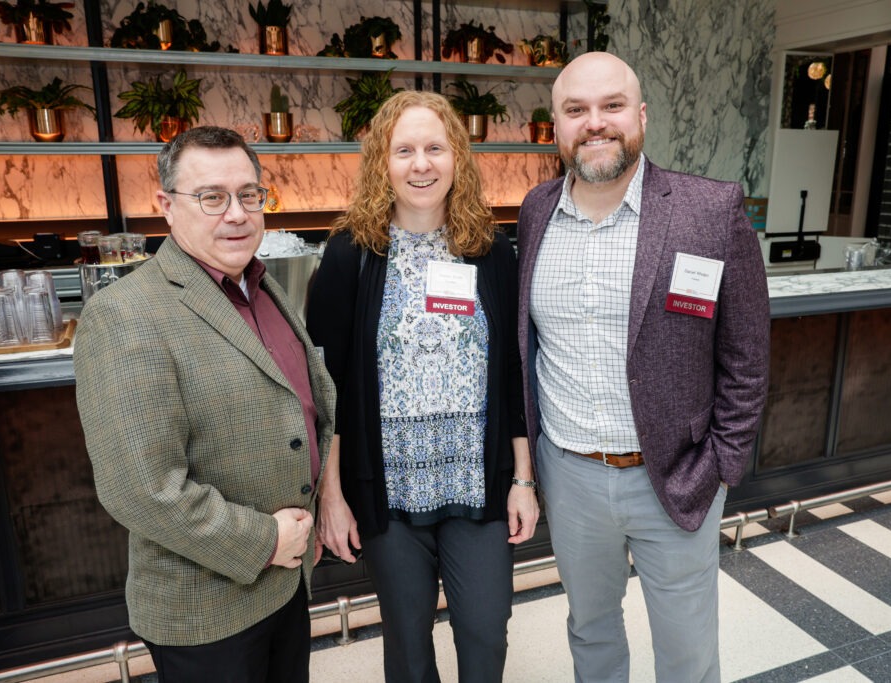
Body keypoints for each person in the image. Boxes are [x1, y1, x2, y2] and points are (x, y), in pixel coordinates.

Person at [516, 52, 770, 682]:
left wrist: (722, 464)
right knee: (591, 633)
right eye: (576, 110)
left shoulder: (708, 211)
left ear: (642, 116)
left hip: (677, 475)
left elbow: (747, 355)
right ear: (555, 125)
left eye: (612, 106)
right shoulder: (535, 210)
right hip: (569, 477)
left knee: (687, 651)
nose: (594, 123)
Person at [74, 126, 335, 683]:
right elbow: (140, 490)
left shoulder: (264, 287)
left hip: (285, 583)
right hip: (206, 604)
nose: (236, 214)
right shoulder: (126, 314)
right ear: (166, 206)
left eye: (248, 195)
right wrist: (267, 541)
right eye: (212, 197)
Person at [307, 90, 538, 683]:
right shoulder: (348, 256)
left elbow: (513, 373)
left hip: (476, 482)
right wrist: (331, 497)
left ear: (457, 157)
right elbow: (326, 390)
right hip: (390, 493)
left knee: (486, 634)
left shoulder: (490, 252)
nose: (421, 163)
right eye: (403, 149)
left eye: (435, 147)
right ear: (381, 163)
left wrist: (523, 480)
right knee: (408, 651)